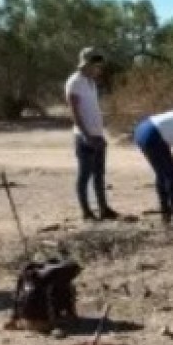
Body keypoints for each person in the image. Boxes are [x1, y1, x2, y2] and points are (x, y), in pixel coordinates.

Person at [65, 47, 118, 221]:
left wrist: (99, 133)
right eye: (96, 65)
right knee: (84, 174)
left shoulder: (91, 83)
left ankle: (103, 209)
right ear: (87, 64)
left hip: (97, 134)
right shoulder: (75, 82)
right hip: (84, 136)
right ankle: (86, 212)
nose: (99, 69)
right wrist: (86, 135)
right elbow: (75, 112)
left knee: (99, 174)